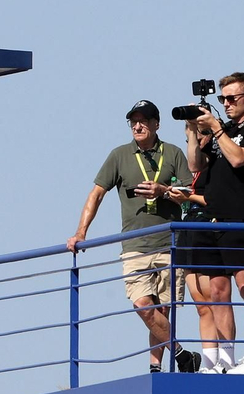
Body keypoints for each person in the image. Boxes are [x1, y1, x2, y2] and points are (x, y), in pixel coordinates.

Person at [66, 100, 200, 374]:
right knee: (143, 306)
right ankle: (182, 354)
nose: (137, 126)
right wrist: (80, 232)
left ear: (156, 124)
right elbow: (96, 193)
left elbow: (189, 196)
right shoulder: (119, 155)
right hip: (135, 247)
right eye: (133, 121)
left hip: (169, 245)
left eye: (143, 120)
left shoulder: (173, 153)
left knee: (162, 312)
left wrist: (163, 191)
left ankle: (155, 367)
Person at [185, 72, 244, 374]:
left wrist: (216, 129)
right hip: (211, 218)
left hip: (239, 217)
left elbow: (238, 159)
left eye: (231, 98)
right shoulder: (219, 131)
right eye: (222, 99)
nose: (225, 104)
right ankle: (225, 357)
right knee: (218, 291)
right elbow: (195, 166)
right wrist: (192, 131)